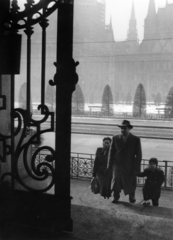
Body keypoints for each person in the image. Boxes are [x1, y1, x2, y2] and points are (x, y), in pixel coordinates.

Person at [107, 120, 142, 204]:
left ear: (129, 129)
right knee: (116, 182)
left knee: (130, 182)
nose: (123, 130)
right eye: (121, 128)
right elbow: (111, 153)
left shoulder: (135, 139)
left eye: (125, 128)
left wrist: (136, 168)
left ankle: (132, 197)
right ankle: (115, 197)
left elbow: (139, 155)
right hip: (117, 165)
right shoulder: (115, 138)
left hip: (129, 166)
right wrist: (109, 165)